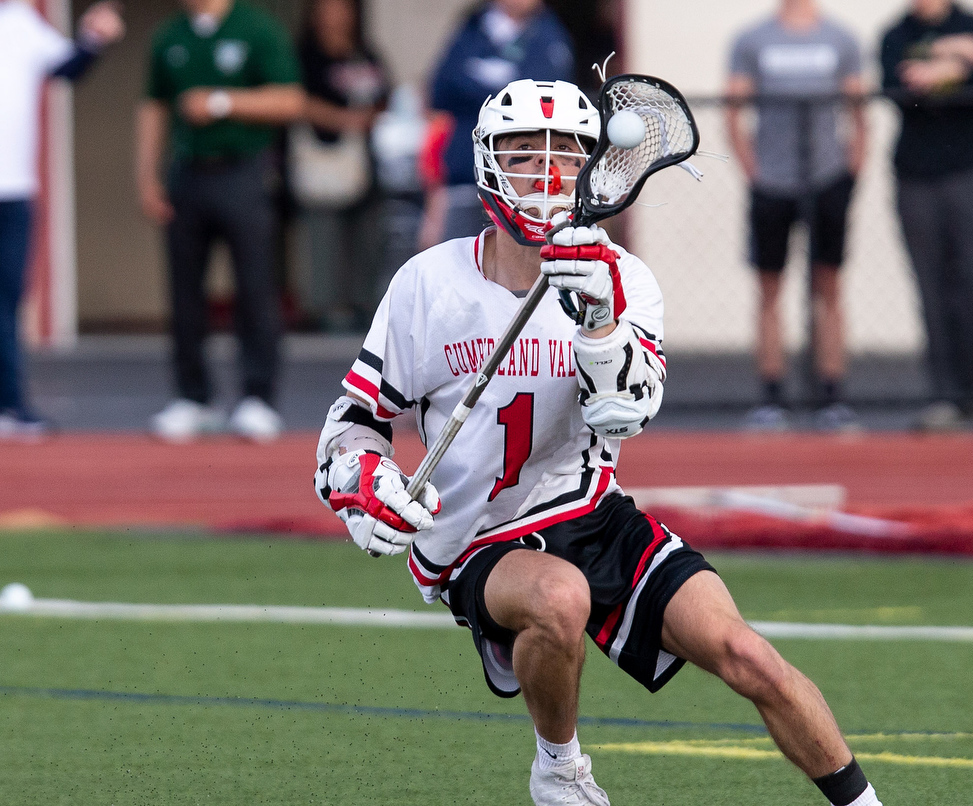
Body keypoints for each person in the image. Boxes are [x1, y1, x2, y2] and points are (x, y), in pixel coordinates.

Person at [313, 78, 883, 806]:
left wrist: (601, 323)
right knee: (560, 597)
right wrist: (362, 477)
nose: (546, 175)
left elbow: (626, 417)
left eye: (565, 157)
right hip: (476, 537)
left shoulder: (623, 279)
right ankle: (559, 770)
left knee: (749, 656)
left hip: (591, 509)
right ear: (487, 163)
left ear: (594, 172)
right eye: (524, 155)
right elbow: (355, 416)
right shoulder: (429, 283)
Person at [137, 0, 305, 442]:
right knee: (184, 289)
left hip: (243, 169)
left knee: (254, 286)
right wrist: (146, 174)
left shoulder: (256, 27)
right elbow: (153, 105)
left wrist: (220, 101)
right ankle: (193, 397)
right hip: (188, 170)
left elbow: (290, 99)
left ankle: (258, 396)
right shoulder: (170, 35)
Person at [725, 0, 867, 432]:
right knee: (770, 289)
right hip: (772, 184)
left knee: (830, 286)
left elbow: (858, 110)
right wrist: (754, 170)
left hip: (826, 181)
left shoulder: (840, 38)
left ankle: (832, 394)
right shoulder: (752, 40)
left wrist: (850, 171)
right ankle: (772, 396)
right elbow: (733, 109)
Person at [0, 0, 124, 440]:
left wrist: (94, 39)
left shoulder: (21, 21)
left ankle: (11, 403)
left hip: (14, 187)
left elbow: (67, 67)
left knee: (8, 300)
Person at [880, 0, 973, 431]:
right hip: (915, 178)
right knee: (930, 285)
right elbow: (899, 90)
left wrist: (955, 70)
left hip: (969, 174)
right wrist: (956, 58)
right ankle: (943, 394)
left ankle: (972, 388)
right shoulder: (897, 34)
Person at [418, 0, 574, 250]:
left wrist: (475, 83)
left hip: (518, 184)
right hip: (464, 174)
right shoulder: (473, 25)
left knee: (515, 269)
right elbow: (439, 90)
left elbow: (543, 103)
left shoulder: (549, 34)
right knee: (457, 261)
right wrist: (501, 86)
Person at [293, 0, 392, 333]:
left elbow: (386, 95)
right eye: (327, 8)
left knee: (369, 238)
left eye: (342, 8)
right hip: (322, 159)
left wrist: (373, 116)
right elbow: (295, 101)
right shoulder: (305, 55)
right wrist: (342, 119)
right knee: (324, 239)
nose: (335, 16)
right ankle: (325, 310)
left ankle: (364, 306)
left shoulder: (365, 53)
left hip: (366, 160)